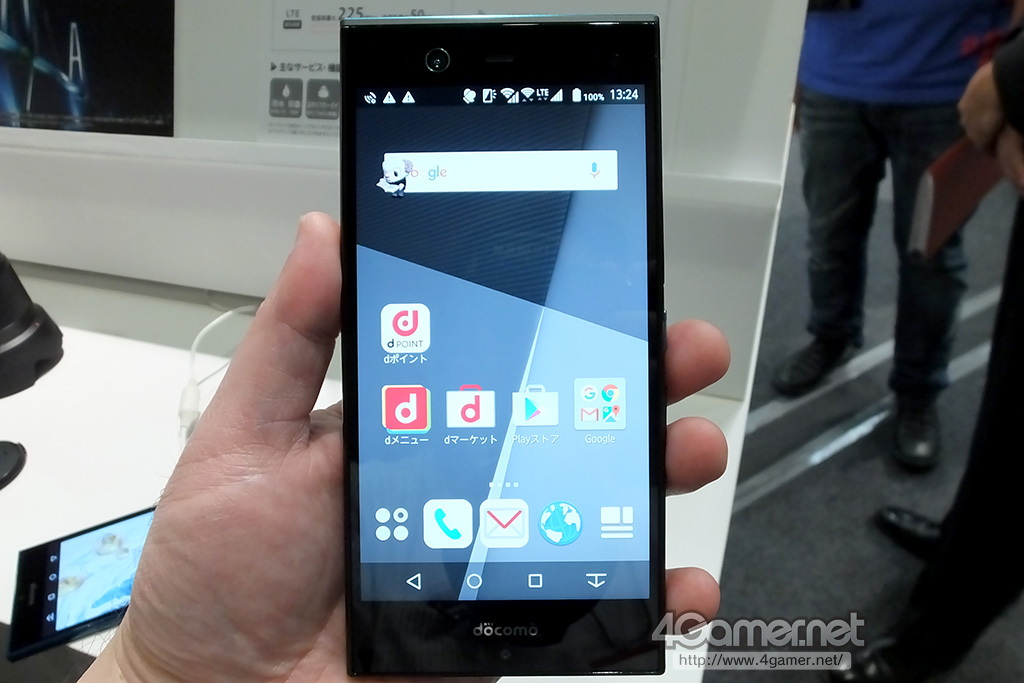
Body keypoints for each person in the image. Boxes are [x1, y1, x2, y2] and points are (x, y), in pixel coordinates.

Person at [75, 212, 732, 682]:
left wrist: (147, 671)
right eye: (493, 320)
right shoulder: (378, 495)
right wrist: (149, 669)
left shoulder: (594, 516)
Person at [830, 24, 1024, 682]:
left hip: (947, 75)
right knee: (1010, 394)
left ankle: (941, 633)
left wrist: (1015, 77)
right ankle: (965, 542)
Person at [772, 0, 1013, 471]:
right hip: (832, 74)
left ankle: (918, 391)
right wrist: (791, 72)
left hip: (945, 83)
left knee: (931, 258)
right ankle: (831, 335)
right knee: (829, 237)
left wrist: (1006, 81)